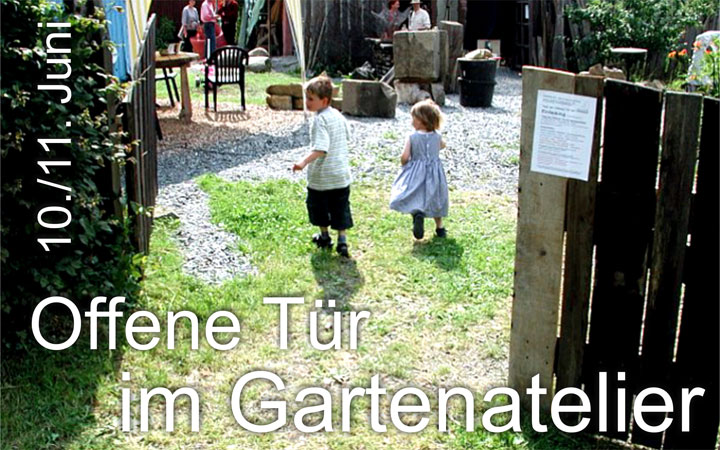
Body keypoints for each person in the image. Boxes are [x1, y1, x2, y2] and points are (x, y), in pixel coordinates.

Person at [292, 75, 353, 257]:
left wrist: (303, 162)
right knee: (340, 207)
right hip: (341, 174)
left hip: (323, 177)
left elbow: (321, 148)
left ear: (324, 100)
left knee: (319, 206)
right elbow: (347, 136)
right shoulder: (338, 115)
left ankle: (325, 236)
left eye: (311, 99)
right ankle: (342, 240)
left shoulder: (319, 120)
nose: (307, 102)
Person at [389, 99, 449, 239]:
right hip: (435, 172)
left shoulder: (412, 137)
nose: (412, 122)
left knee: (414, 193)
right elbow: (442, 145)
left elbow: (405, 156)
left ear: (422, 120)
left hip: (416, 171)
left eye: (414, 119)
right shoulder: (437, 136)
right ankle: (440, 227)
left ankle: (417, 213)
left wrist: (404, 165)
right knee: (436, 196)